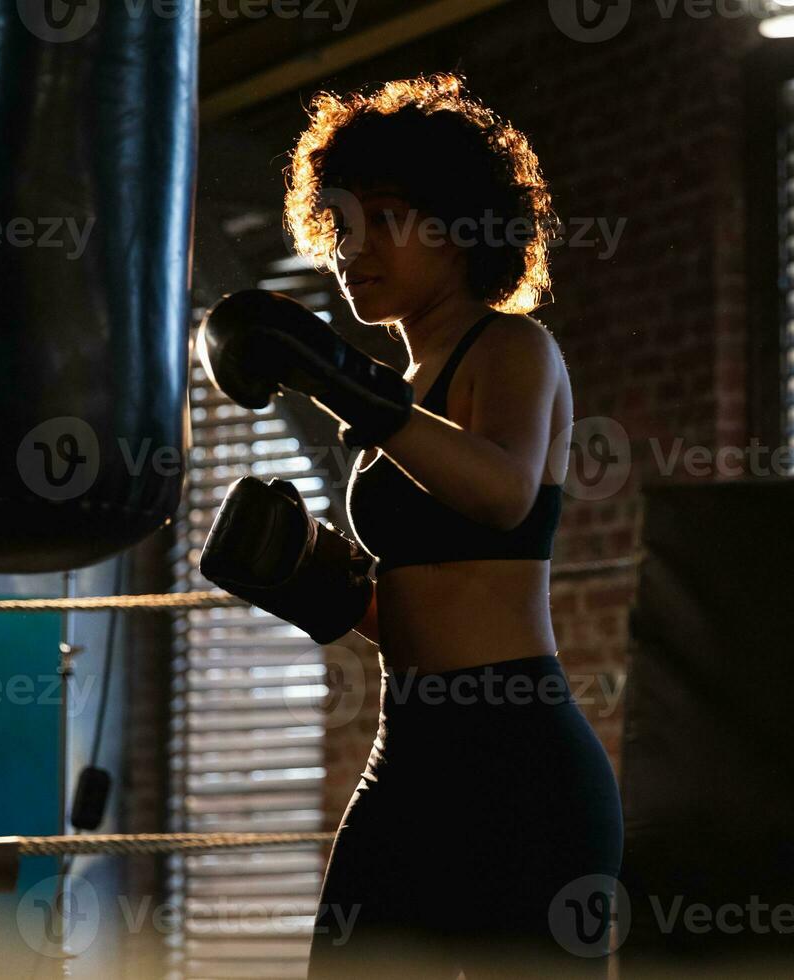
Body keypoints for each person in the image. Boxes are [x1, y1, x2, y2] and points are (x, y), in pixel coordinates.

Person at [197, 73, 623, 978]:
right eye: (344, 225)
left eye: (385, 218)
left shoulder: (511, 348)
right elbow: (428, 598)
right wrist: (316, 580)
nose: (355, 248)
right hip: (412, 748)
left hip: (519, 759)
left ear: (461, 224)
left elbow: (504, 495)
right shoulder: (401, 399)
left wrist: (345, 386)